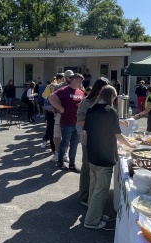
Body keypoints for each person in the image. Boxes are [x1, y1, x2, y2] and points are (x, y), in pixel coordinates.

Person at [83, 85, 136, 229]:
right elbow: (117, 135)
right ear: (111, 96)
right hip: (104, 155)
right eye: (115, 97)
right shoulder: (110, 111)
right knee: (101, 188)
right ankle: (91, 221)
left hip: (93, 153)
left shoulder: (92, 109)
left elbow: (87, 131)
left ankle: (95, 213)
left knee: (94, 185)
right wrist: (131, 146)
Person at [77, 78, 110, 206]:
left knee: (98, 170)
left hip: (103, 140)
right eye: (105, 89)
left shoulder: (107, 102)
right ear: (99, 89)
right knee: (86, 167)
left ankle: (94, 195)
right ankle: (84, 196)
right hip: (88, 139)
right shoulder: (86, 102)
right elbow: (79, 121)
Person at [49, 73, 85, 172]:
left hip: (77, 123)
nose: (81, 83)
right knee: (64, 143)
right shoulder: (64, 90)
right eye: (79, 81)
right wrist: (60, 108)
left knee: (74, 145)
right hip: (66, 122)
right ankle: (60, 161)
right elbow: (51, 97)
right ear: (74, 80)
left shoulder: (80, 92)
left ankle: (72, 164)